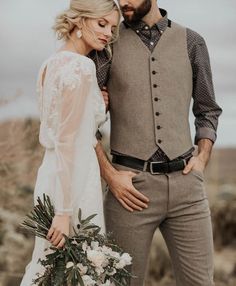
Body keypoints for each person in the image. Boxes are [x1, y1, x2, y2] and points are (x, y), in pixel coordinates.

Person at [91, 0, 222, 285]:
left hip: (187, 187)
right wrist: (110, 176)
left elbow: (208, 109)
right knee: (120, 283)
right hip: (129, 189)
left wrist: (202, 158)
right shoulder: (106, 45)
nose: (123, 1)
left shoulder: (192, 42)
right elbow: (82, 121)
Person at [20, 0, 120, 285]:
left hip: (51, 172)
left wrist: (97, 108)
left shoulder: (51, 63)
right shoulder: (81, 66)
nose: (108, 33)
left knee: (49, 267)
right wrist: (63, 213)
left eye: (112, 27)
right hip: (73, 179)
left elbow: (62, 124)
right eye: (102, 23)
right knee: (79, 270)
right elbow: (67, 141)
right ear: (79, 20)